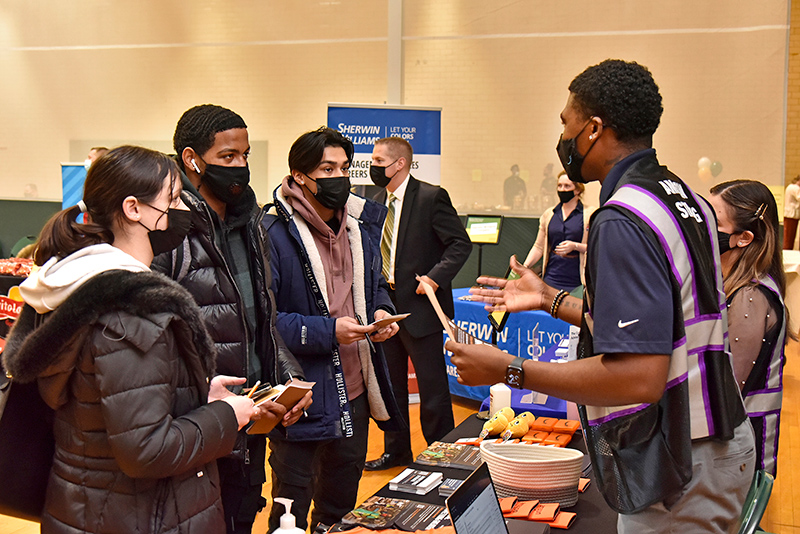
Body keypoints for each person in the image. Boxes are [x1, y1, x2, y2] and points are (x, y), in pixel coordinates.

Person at [448, 59, 754, 533]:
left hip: (685, 457)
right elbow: (659, 328)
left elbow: (637, 376)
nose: (564, 137)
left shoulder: (622, 218)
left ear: (593, 129)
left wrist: (507, 368)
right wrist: (550, 298)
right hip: (715, 440)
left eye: (567, 123)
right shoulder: (683, 197)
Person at [2, 145, 258, 533]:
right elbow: (146, 450)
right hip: (138, 515)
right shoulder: (133, 310)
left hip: (89, 507)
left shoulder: (72, 284)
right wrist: (228, 416)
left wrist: (191, 395)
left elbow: (105, 406)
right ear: (133, 208)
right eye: (172, 200)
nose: (183, 212)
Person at [152, 104, 310, 534]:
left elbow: (263, 319)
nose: (240, 166)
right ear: (192, 159)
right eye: (227, 157)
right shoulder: (167, 228)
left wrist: (287, 378)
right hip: (195, 424)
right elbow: (155, 340)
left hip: (250, 418)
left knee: (242, 515)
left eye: (244, 156)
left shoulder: (252, 223)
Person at [263, 126, 403, 533]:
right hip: (301, 396)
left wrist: (380, 310)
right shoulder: (272, 232)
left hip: (354, 391)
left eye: (344, 167)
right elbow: (266, 324)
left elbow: (375, 285)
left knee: (339, 512)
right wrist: (328, 331)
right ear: (299, 175)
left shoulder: (361, 227)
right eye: (326, 168)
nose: (339, 176)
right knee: (289, 514)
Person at [365, 136, 472, 471]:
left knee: (433, 388)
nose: (373, 167)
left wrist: (435, 277)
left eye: (379, 161)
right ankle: (396, 452)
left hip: (422, 309)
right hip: (387, 307)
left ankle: (441, 455)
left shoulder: (431, 196)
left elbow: (459, 244)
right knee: (391, 387)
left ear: (399, 164)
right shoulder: (376, 200)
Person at [709, 179, 788, 477]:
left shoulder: (749, 296)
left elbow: (727, 389)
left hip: (741, 454)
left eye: (713, 221)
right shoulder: (728, 283)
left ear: (742, 238)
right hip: (729, 444)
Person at [523, 171, 595, 291]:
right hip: (552, 277)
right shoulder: (549, 214)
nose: (562, 189)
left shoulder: (589, 214)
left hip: (577, 280)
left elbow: (595, 248)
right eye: (559, 185)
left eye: (567, 186)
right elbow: (538, 247)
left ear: (577, 190)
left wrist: (575, 246)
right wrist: (524, 267)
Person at [783, 174, 800, 249]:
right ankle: (788, 249)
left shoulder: (789, 187)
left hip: (788, 213)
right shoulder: (796, 188)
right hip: (792, 214)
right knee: (790, 236)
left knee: (788, 236)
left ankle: (787, 249)